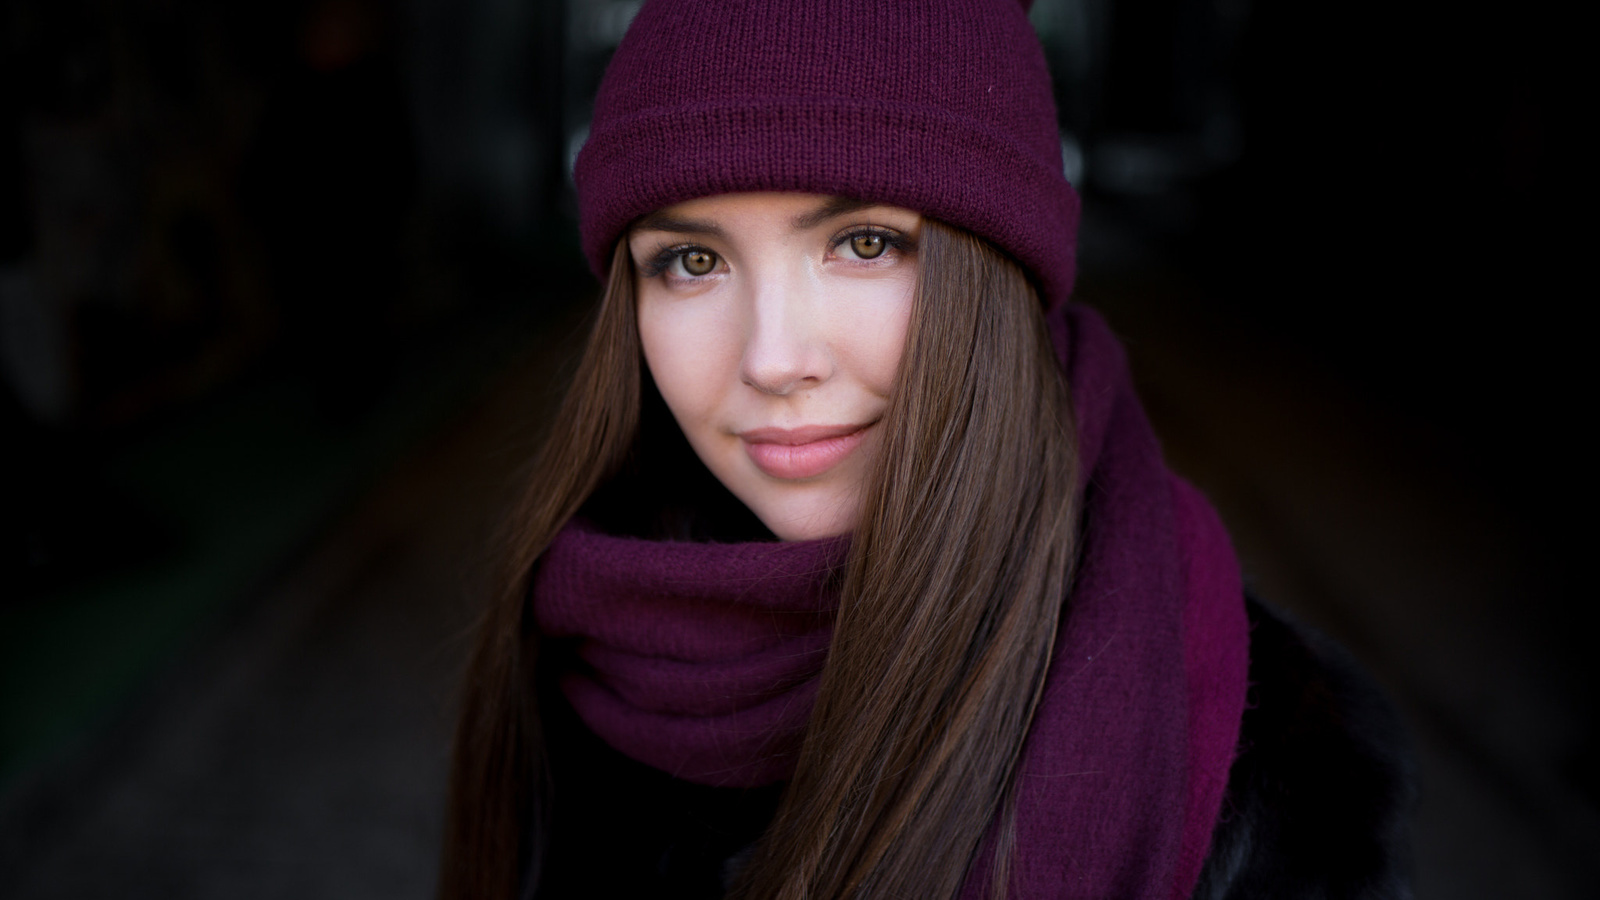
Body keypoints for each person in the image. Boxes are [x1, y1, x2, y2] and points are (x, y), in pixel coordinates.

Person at [439, 1, 1415, 898]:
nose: (774, 359)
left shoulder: (1273, 766)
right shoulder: (577, 659)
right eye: (691, 261)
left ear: (999, 274)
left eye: (864, 243)